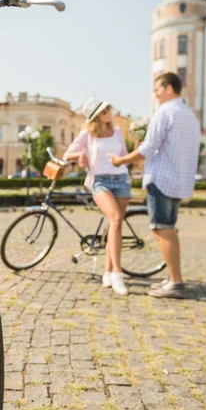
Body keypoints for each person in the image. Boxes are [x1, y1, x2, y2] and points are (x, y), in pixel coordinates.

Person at [108, 72, 201, 299]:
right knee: (168, 227)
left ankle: (176, 283)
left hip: (162, 179)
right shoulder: (189, 115)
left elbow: (148, 149)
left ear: (169, 89)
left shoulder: (164, 112)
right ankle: (172, 278)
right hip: (179, 181)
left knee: (161, 228)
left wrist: (120, 161)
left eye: (158, 88)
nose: (155, 93)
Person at [64, 98, 131, 296]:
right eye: (104, 110)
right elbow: (68, 154)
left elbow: (125, 155)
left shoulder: (118, 132)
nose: (109, 111)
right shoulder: (88, 134)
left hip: (121, 180)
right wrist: (80, 156)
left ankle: (108, 271)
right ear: (96, 116)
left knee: (115, 225)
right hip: (100, 181)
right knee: (116, 219)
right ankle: (118, 273)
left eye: (109, 108)